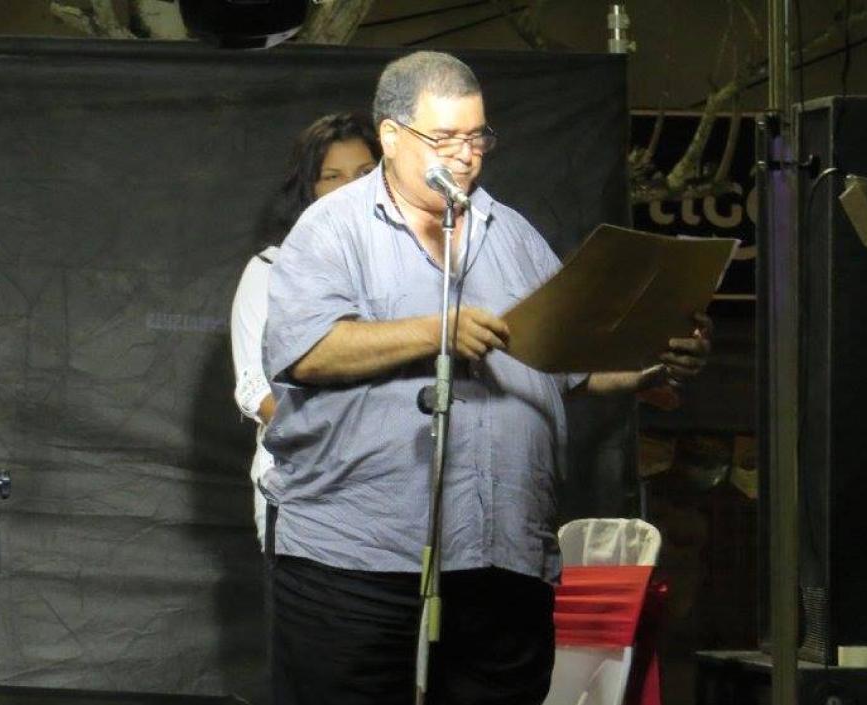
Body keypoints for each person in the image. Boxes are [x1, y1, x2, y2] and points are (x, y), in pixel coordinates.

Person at [261, 51, 712, 705]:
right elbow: (307, 351)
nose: (467, 154)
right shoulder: (332, 230)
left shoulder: (514, 236)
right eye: (444, 137)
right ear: (390, 135)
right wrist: (436, 331)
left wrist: (649, 364)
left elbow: (565, 365)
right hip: (357, 559)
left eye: (477, 136)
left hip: (501, 556)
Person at [229, 112, 381, 548]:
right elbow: (253, 386)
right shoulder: (271, 269)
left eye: (365, 172)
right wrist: (331, 446)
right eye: (332, 176)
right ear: (310, 187)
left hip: (393, 497)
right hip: (303, 492)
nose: (351, 186)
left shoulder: (411, 269)